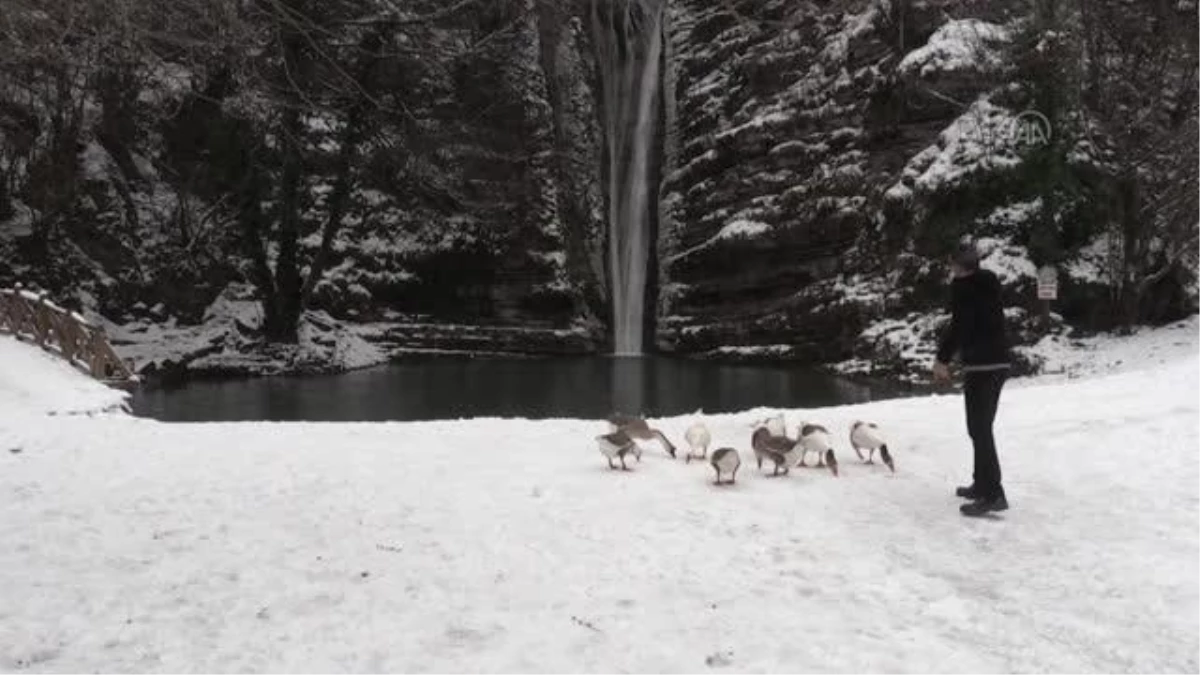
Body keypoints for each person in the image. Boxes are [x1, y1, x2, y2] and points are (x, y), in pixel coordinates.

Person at [932, 240, 1011, 517]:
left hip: (983, 365)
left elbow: (960, 326)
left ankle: (993, 494)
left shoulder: (965, 288)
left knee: (980, 428)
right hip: (996, 362)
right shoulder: (985, 283)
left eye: (952, 263)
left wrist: (942, 358)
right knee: (979, 427)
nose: (950, 268)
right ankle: (981, 483)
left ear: (959, 265)